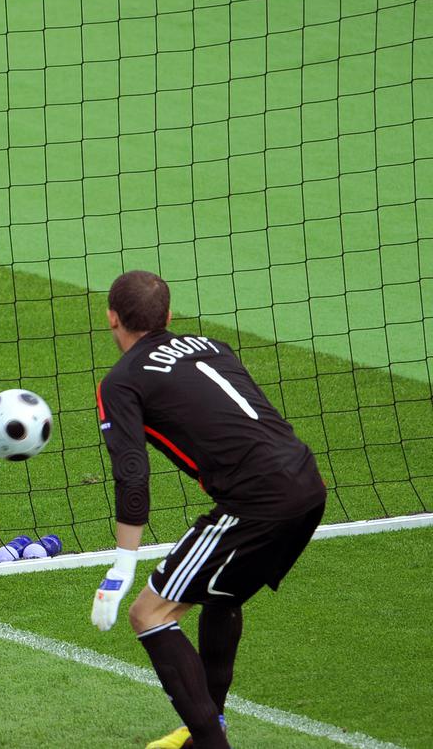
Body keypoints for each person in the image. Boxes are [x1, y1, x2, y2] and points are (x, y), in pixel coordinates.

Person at [88, 270, 327, 749]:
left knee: (149, 613)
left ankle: (211, 744)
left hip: (258, 501)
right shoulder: (214, 346)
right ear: (169, 316)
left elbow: (132, 474)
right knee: (222, 594)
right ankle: (209, 728)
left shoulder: (121, 382)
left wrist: (121, 567)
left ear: (112, 318)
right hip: (307, 482)